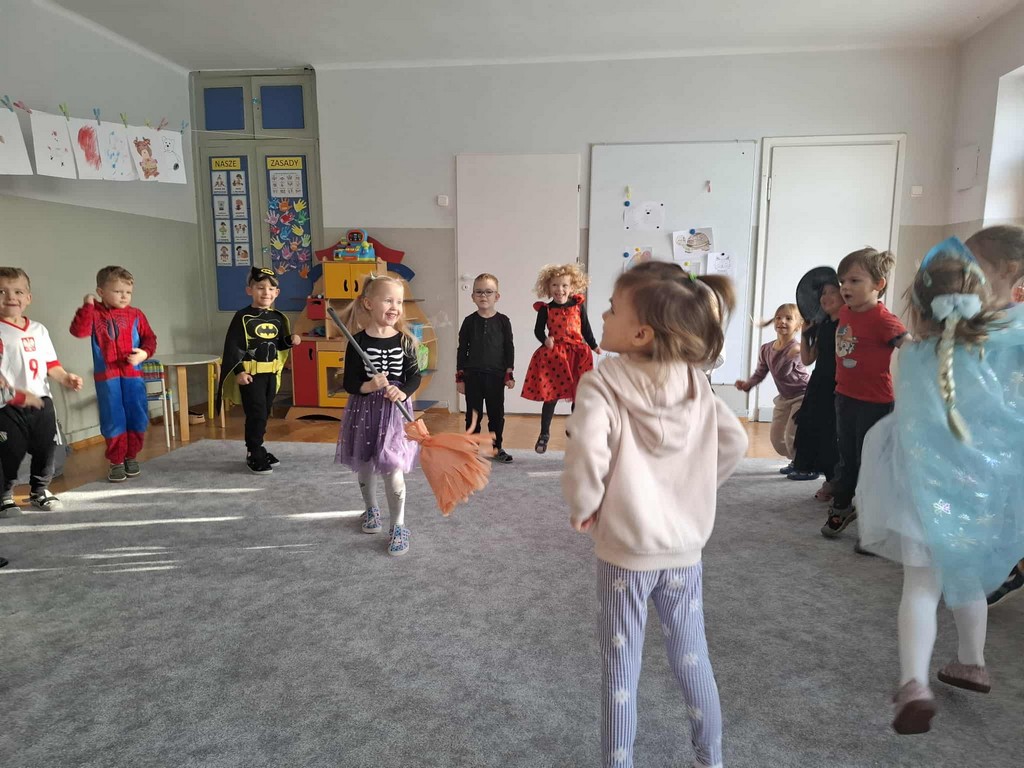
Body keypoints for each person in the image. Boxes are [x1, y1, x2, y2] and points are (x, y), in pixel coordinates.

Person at [563, 262, 748, 768]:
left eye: (611, 308)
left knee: (620, 669)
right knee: (693, 658)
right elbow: (734, 441)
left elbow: (587, 451)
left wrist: (585, 504)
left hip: (625, 554)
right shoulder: (694, 382)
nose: (602, 314)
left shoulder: (602, 382)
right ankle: (710, 758)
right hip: (684, 553)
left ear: (640, 333)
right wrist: (697, 488)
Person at [855, 238, 1024, 734]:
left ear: (918, 308)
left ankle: (914, 682)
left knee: (921, 588)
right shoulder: (997, 349)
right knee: (966, 579)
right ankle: (972, 661)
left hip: (919, 496)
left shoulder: (908, 355)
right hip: (976, 495)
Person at [820, 248, 908, 543]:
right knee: (847, 458)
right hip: (844, 396)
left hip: (875, 403)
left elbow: (909, 345)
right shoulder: (845, 312)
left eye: (855, 280)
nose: (845, 287)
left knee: (872, 464)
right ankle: (842, 507)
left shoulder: (883, 319)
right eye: (843, 281)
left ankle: (874, 525)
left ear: (878, 284)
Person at [336, 274, 421, 556]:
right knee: (365, 461)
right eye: (388, 300)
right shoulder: (357, 342)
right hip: (364, 411)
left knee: (392, 466)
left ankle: (398, 525)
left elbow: (414, 377)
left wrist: (403, 392)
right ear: (368, 303)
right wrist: (368, 386)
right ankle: (371, 509)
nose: (395, 307)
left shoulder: (406, 340)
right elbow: (349, 382)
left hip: (394, 414)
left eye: (399, 301)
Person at [965, 225, 1024, 607]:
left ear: (1008, 269)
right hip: (984, 434)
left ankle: (1010, 566)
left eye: (974, 265)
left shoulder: (1017, 325)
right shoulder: (976, 320)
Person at [0, 268, 83, 516]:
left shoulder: (39, 330)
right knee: (9, 452)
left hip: (41, 401)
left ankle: (39, 490)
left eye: (18, 292)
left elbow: (50, 364)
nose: (10, 297)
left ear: (28, 298)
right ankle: (5, 496)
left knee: (46, 449)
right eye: (1, 291)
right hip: (8, 406)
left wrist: (66, 377)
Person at [70, 266, 158, 482]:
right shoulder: (94, 314)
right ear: (101, 291)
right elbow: (79, 331)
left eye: (128, 292)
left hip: (133, 376)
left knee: (137, 415)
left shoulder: (136, 315)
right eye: (118, 291)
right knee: (113, 417)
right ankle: (116, 460)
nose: (124, 296)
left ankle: (131, 456)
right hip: (107, 379)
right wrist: (87, 307)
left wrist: (144, 353)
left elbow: (150, 339)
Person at [217, 267, 301, 475]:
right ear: (250, 290)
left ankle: (258, 446)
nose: (266, 292)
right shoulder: (242, 317)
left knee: (264, 412)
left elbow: (279, 344)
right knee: (256, 412)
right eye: (260, 287)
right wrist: (239, 371)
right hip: (251, 376)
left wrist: (290, 341)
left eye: (271, 289)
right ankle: (253, 451)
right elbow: (233, 347)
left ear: (277, 293)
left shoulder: (278, 318)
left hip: (271, 374)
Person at [522, 263, 601, 454]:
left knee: (578, 394)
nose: (560, 289)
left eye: (565, 285)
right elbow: (538, 330)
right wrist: (545, 340)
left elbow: (586, 329)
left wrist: (594, 345)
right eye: (555, 285)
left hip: (578, 355)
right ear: (548, 288)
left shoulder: (578, 305)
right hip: (555, 356)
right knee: (551, 396)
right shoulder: (546, 309)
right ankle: (544, 434)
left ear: (572, 287)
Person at [734, 303, 808, 471]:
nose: (782, 321)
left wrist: (791, 355)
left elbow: (782, 370)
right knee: (777, 440)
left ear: (798, 326)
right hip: (784, 397)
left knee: (791, 436)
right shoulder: (766, 348)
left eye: (788, 318)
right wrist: (748, 384)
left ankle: (803, 465)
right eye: (778, 317)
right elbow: (760, 372)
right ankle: (799, 459)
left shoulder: (796, 349)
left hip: (802, 396)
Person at [789, 279, 845, 495]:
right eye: (823, 293)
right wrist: (805, 334)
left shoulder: (849, 323)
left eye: (832, 292)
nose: (826, 297)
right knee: (818, 432)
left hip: (841, 384)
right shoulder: (822, 325)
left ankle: (838, 483)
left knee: (836, 435)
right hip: (820, 384)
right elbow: (807, 359)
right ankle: (830, 480)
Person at [456, 273, 515, 463]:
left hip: (496, 376)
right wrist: (460, 378)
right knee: (473, 414)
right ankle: (472, 448)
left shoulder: (503, 321)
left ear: (497, 296)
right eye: (479, 292)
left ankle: (496, 448)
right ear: (472, 296)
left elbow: (509, 348)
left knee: (496, 414)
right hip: (472, 376)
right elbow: (462, 350)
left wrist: (509, 373)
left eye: (488, 292)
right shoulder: (469, 322)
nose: (483, 296)